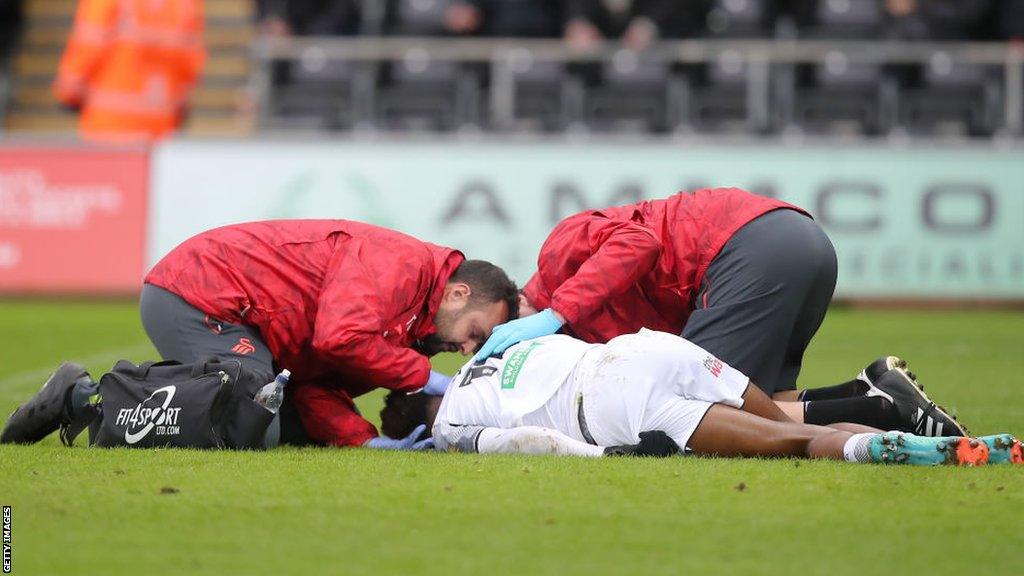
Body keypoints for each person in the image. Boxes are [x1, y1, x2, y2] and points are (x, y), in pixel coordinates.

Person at [474, 188, 966, 437]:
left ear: (509, 304)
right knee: (757, 401)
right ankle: (869, 391)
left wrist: (555, 313)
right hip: (796, 243)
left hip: (750, 249)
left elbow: (638, 241)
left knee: (706, 408)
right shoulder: (580, 336)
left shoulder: (557, 257)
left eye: (479, 336)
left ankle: (879, 411)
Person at [1, 220, 518, 449]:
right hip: (200, 294)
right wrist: (428, 378)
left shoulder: (409, 324)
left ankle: (111, 396)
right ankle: (83, 398)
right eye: (476, 332)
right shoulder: (401, 265)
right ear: (457, 294)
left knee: (283, 419)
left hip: (236, 318)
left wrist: (365, 440)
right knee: (253, 418)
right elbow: (339, 338)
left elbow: (318, 380)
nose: (467, 349)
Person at [383, 329, 1022, 465]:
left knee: (789, 443)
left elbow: (526, 441)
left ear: (419, 422)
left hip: (608, 405)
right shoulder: (497, 351)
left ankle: (890, 448)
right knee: (773, 416)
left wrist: (605, 458)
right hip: (641, 349)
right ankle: (901, 423)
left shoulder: (453, 429)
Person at [52, 0, 205, 142]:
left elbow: (88, 46)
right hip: (161, 124)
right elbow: (190, 61)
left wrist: (68, 91)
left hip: (109, 122)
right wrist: (179, 105)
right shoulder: (185, 4)